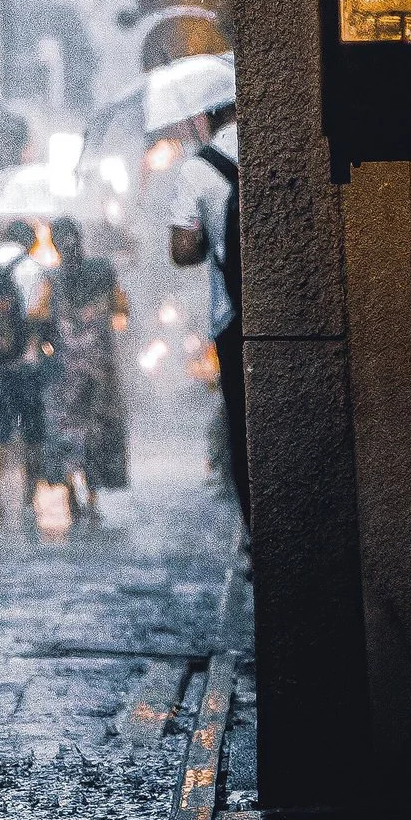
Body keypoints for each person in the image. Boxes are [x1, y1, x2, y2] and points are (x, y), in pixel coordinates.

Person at [162, 58, 244, 519]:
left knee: (243, 427)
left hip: (231, 313)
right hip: (291, 311)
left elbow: (181, 250)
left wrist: (211, 240)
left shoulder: (198, 169)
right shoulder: (276, 145)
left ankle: (255, 536)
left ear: (207, 115)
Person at [0, 220, 56, 525]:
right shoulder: (34, 269)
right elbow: (40, 319)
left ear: (3, 236)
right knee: (32, 429)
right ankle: (30, 495)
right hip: (25, 366)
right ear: (30, 242)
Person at [48, 213, 129, 521]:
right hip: (101, 363)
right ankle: (93, 496)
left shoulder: (52, 278)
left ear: (56, 244)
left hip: (67, 366)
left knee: (70, 426)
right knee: (98, 427)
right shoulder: (103, 269)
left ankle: (71, 487)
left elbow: (39, 315)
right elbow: (122, 308)